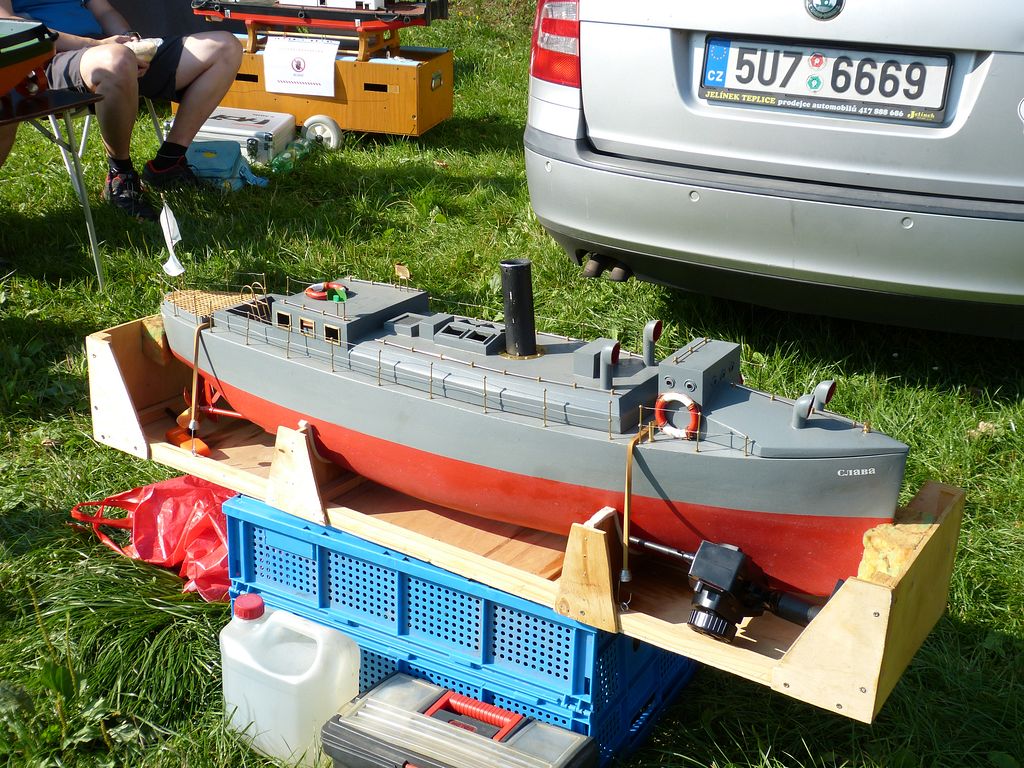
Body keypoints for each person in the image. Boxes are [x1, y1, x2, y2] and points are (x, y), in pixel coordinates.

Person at [0, 0, 242, 221]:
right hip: (47, 62)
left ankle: (168, 163)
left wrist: (130, 39)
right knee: (116, 59)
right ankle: (120, 175)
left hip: (106, 50)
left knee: (224, 47)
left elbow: (104, 10)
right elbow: (12, 25)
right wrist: (97, 45)